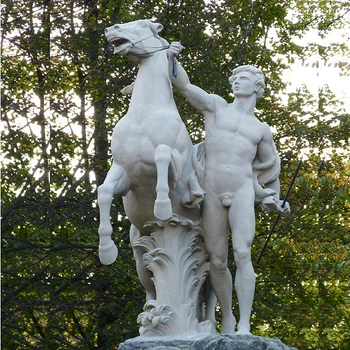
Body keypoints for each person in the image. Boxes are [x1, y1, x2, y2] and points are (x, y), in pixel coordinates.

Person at [166, 43, 290, 334]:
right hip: (211, 188)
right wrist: (171, 57)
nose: (235, 81)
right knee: (218, 260)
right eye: (234, 78)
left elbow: (269, 168)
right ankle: (228, 316)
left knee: (242, 253)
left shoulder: (261, 129)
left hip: (243, 190)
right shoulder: (217, 106)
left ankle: (245, 324)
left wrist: (273, 199)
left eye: (242, 78)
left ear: (258, 86)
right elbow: (184, 86)